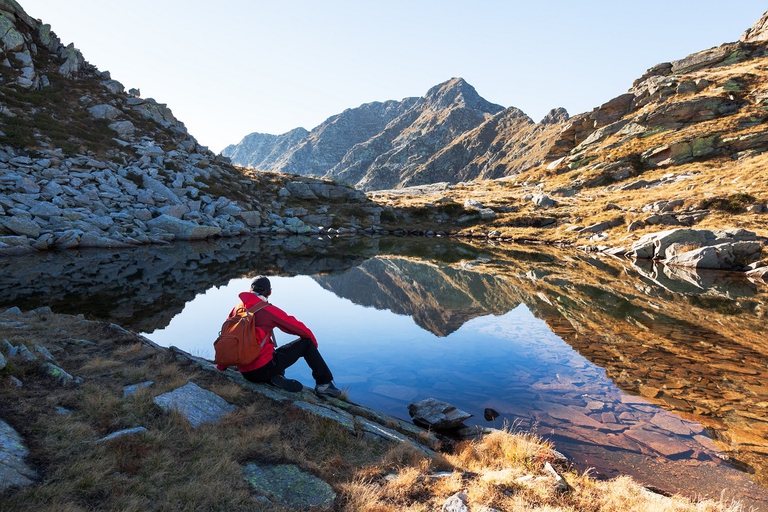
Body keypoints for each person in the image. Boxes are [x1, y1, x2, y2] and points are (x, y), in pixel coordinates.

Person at [216, 275, 341, 397]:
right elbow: (298, 327)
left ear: (250, 290)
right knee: (306, 344)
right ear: (269, 292)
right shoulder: (268, 310)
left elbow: (229, 337)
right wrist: (313, 344)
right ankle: (324, 384)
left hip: (245, 370)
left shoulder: (237, 308)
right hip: (262, 369)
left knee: (271, 350)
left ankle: (275, 376)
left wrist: (221, 365)